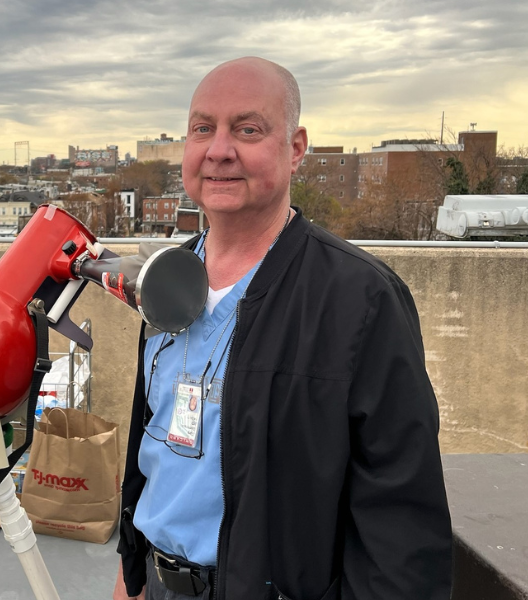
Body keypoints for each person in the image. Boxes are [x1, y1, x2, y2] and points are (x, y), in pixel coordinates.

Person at [114, 57, 452, 600]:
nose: (219, 150)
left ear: (295, 148)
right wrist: (132, 573)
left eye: (247, 130)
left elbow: (402, 526)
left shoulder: (359, 301)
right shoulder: (167, 278)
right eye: (203, 128)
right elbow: (153, 454)